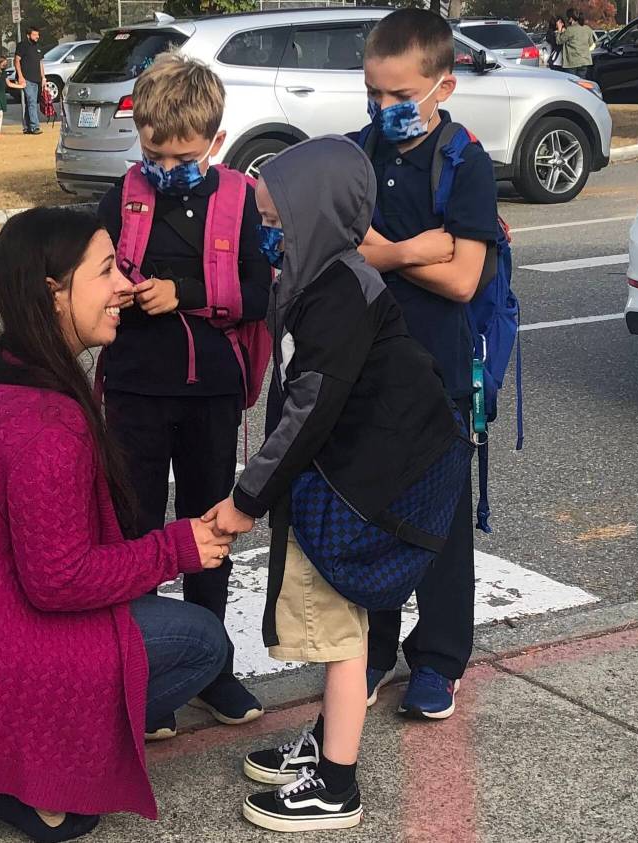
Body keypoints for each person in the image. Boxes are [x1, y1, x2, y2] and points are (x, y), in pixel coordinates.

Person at [0, 206, 231, 843]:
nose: (124, 286)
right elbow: (57, 581)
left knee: (148, 626)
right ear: (51, 291)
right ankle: (12, 762)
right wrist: (176, 547)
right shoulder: (43, 420)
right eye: (107, 270)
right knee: (201, 642)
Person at [205, 135, 461, 832]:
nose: (267, 231)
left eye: (276, 219)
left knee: (338, 629)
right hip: (365, 469)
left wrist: (245, 498)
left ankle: (336, 783)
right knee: (339, 623)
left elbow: (308, 409)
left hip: (368, 483)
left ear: (315, 217)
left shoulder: (336, 294)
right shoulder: (323, 276)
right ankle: (327, 743)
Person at [96, 52, 271, 736]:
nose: (166, 169)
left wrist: (186, 295)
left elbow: (260, 291)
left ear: (217, 143)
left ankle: (213, 663)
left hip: (209, 393)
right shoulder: (125, 195)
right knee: (137, 530)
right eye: (153, 153)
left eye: (183, 156)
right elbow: (90, 269)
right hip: (135, 387)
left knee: (209, 527)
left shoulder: (237, 198)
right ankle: (148, 667)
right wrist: (121, 288)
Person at [355, 9, 499, 720]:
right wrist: (414, 250)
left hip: (438, 374)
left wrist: (381, 251)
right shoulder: (361, 154)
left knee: (438, 527)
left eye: (398, 97)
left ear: (442, 86)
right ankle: (375, 647)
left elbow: (466, 278)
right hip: (367, 375)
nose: (383, 109)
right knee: (373, 517)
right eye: (372, 92)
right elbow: (343, 251)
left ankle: (439, 658)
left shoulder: (465, 163)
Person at [15, 25, 46, 135]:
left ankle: (28, 127)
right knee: (31, 102)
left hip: (37, 79)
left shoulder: (38, 47)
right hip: (26, 79)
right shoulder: (22, 45)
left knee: (31, 103)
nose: (37, 36)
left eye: (38, 34)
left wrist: (43, 77)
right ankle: (35, 126)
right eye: (34, 34)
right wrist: (20, 76)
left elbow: (40, 63)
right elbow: (17, 60)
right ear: (28, 35)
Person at [0, 54, 24, 137]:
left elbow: (9, 84)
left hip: (2, 95)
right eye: (4, 62)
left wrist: (20, 86)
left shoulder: (4, 72)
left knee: (1, 114)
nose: (5, 63)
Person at [557, 8, 597, 78]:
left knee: (572, 84)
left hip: (572, 62)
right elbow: (591, 44)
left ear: (571, 18)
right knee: (581, 83)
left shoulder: (570, 29)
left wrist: (559, 29)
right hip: (585, 61)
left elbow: (559, 41)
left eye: (567, 17)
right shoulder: (587, 29)